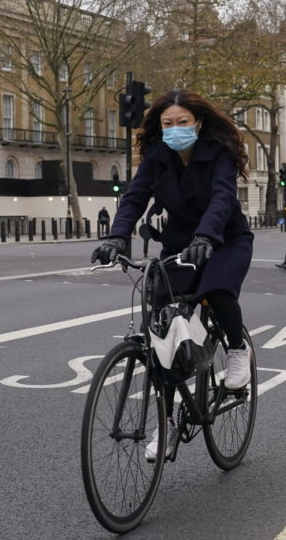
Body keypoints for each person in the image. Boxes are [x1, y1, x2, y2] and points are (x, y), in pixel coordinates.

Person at [91, 89, 254, 463]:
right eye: (168, 124)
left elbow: (222, 198)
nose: (175, 129)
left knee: (217, 290)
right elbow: (134, 197)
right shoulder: (157, 157)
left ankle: (236, 350)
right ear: (159, 127)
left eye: (182, 122)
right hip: (180, 245)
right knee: (161, 336)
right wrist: (117, 236)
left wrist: (206, 236)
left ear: (197, 122)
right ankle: (164, 428)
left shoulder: (219, 155)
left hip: (223, 239)